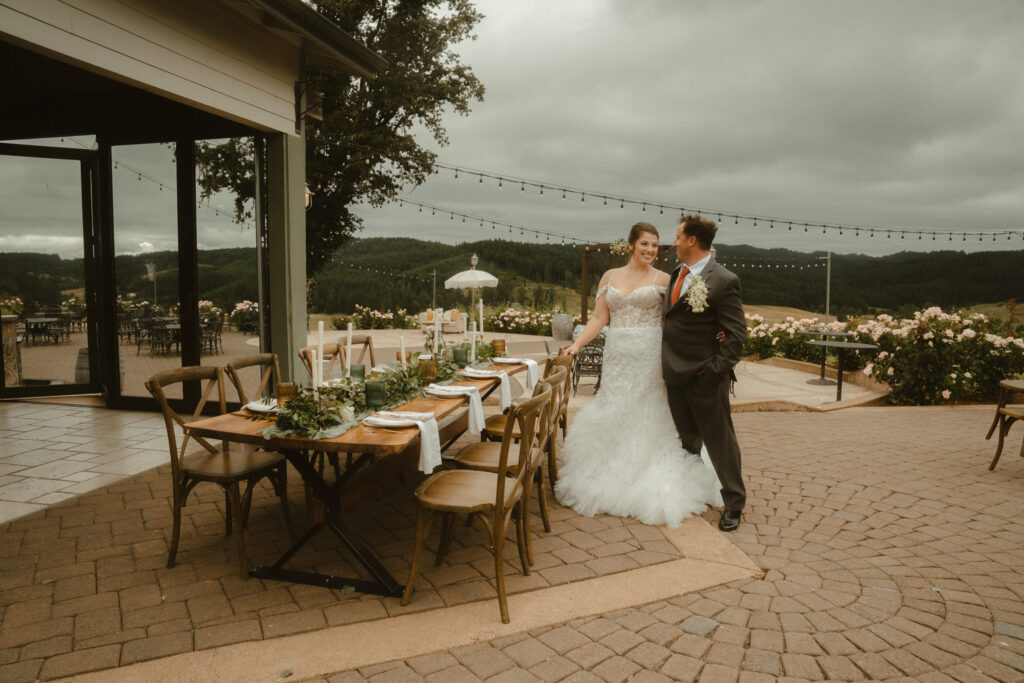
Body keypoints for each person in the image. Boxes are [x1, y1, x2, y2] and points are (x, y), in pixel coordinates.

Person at [556, 222, 722, 528]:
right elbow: (598, 318)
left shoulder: (665, 279)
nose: (650, 250)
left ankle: (651, 475)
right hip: (618, 355)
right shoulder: (610, 277)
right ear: (631, 244)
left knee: (648, 412)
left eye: (655, 245)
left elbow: (683, 319)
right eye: (645, 244)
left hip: (650, 356)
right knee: (615, 408)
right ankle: (608, 473)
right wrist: (577, 345)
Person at [663, 215, 747, 531]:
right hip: (675, 374)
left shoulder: (724, 280)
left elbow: (736, 336)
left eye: (677, 236)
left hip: (704, 377)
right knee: (687, 441)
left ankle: (734, 504)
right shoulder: (676, 273)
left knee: (720, 441)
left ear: (692, 241)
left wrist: (712, 372)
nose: (674, 242)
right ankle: (694, 493)